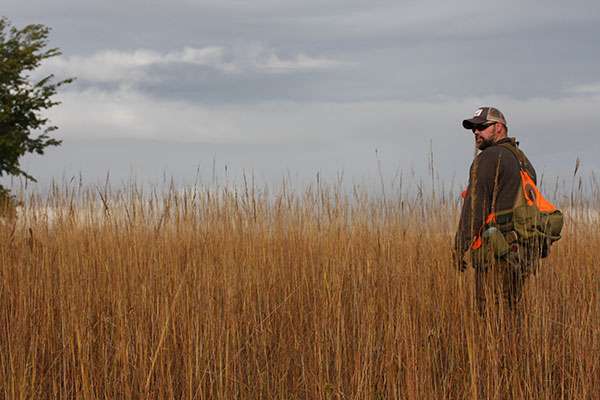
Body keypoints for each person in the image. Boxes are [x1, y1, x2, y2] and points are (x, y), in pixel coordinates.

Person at [453, 107, 539, 315]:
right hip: (523, 251)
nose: (476, 132)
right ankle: (515, 347)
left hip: (496, 252)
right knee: (511, 309)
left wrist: (459, 246)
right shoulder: (522, 160)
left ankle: (498, 348)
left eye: (482, 126)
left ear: (499, 127)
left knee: (490, 314)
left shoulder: (488, 158)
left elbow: (476, 206)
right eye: (474, 128)